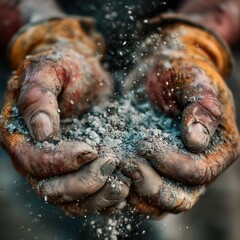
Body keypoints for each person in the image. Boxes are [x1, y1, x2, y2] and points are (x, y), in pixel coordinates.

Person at [0, 0, 239, 234]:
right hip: (32, 70)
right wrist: (44, 35)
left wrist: (198, 41)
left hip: (196, 73)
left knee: (203, 215)